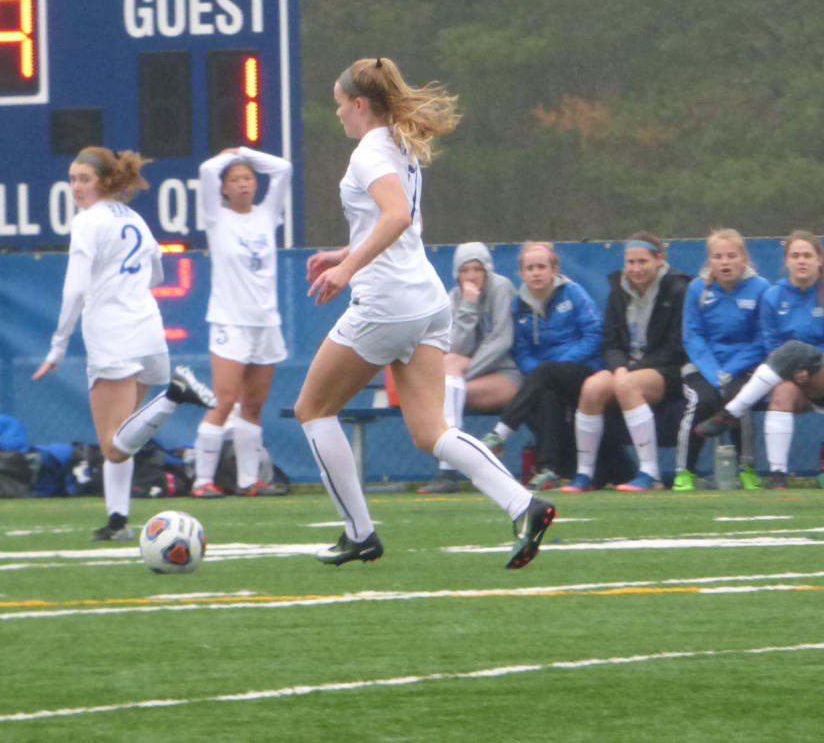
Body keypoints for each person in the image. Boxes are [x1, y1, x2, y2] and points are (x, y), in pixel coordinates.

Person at [293, 57, 553, 568]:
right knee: (429, 429)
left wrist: (346, 272)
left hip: (388, 304)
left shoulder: (369, 152)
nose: (338, 114)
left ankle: (359, 532)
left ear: (360, 104)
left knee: (313, 410)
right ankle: (524, 504)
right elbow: (400, 226)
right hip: (428, 302)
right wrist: (343, 253)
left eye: (340, 104)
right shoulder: (399, 146)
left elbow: (396, 217)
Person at [34, 146, 216, 540]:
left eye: (84, 178)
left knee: (113, 446)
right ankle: (117, 521)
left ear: (104, 180)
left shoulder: (88, 221)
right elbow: (156, 274)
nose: (76, 186)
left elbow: (75, 288)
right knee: (125, 433)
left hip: (112, 335)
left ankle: (174, 395)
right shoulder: (132, 216)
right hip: (148, 332)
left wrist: (58, 344)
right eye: (72, 179)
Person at [696, 230, 824, 488]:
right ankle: (778, 475)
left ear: (819, 260)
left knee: (795, 348)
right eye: (795, 255)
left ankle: (732, 411)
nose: (801, 261)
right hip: (789, 376)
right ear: (786, 261)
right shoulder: (773, 296)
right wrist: (794, 370)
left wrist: (805, 364)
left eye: (807, 255)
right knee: (781, 393)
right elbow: (771, 344)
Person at [190, 146, 293, 498]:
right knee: (225, 400)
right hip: (229, 321)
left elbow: (283, 168)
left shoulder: (267, 214)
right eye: (235, 180)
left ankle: (249, 481)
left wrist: (247, 152)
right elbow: (206, 169)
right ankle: (202, 480)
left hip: (265, 322)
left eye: (248, 178)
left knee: (253, 404)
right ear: (224, 188)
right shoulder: (217, 218)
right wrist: (228, 155)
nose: (243, 185)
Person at [559, 233, 691, 493]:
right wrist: (619, 367)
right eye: (630, 262)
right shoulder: (618, 291)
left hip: (668, 371)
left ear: (659, 260)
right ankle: (585, 473)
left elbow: (677, 348)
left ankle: (650, 474)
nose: (636, 268)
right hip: (627, 369)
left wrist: (629, 372)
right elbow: (610, 343)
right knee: (592, 387)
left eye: (642, 261)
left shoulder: (678, 290)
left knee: (627, 385)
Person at [480, 242, 603, 491]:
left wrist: (560, 365)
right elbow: (521, 351)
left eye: (541, 267)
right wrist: (542, 372)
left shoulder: (573, 293)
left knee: (544, 374)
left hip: (582, 371)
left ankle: (501, 434)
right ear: (521, 274)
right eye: (530, 268)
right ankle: (549, 470)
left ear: (554, 269)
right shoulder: (518, 306)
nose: (536, 273)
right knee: (545, 397)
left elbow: (594, 334)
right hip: (544, 376)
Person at [418, 242, 519, 494]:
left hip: (507, 373)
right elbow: (456, 348)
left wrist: (461, 378)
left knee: (448, 385)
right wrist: (469, 305)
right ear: (457, 274)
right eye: (465, 270)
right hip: (471, 374)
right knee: (448, 364)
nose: (472, 276)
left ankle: (448, 470)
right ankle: (449, 469)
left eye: (477, 268)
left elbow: (501, 341)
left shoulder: (502, 287)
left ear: (487, 270)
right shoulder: (454, 297)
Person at [677, 228, 769, 491]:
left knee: (741, 400)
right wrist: (714, 372)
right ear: (709, 261)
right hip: (703, 368)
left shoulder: (761, 288)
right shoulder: (697, 289)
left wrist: (731, 370)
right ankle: (684, 471)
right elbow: (692, 337)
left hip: (743, 367)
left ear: (744, 258)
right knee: (701, 400)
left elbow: (762, 339)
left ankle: (746, 468)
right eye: (718, 257)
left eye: (731, 256)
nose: (725, 262)